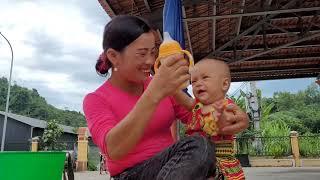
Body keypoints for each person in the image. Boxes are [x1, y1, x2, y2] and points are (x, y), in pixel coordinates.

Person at [83, 15, 249, 180]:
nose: (150, 60)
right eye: (142, 54)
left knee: (204, 148)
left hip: (173, 169)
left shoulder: (162, 86)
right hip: (131, 174)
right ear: (113, 56)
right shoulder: (96, 99)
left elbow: (197, 115)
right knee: (199, 145)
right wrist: (154, 93)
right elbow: (114, 150)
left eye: (153, 52)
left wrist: (231, 116)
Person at [174, 58, 245, 179]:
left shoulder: (225, 105)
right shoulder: (196, 105)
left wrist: (219, 116)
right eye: (194, 81)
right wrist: (173, 89)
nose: (198, 83)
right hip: (193, 158)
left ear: (224, 84)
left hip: (218, 160)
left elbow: (226, 126)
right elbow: (185, 100)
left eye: (205, 78)